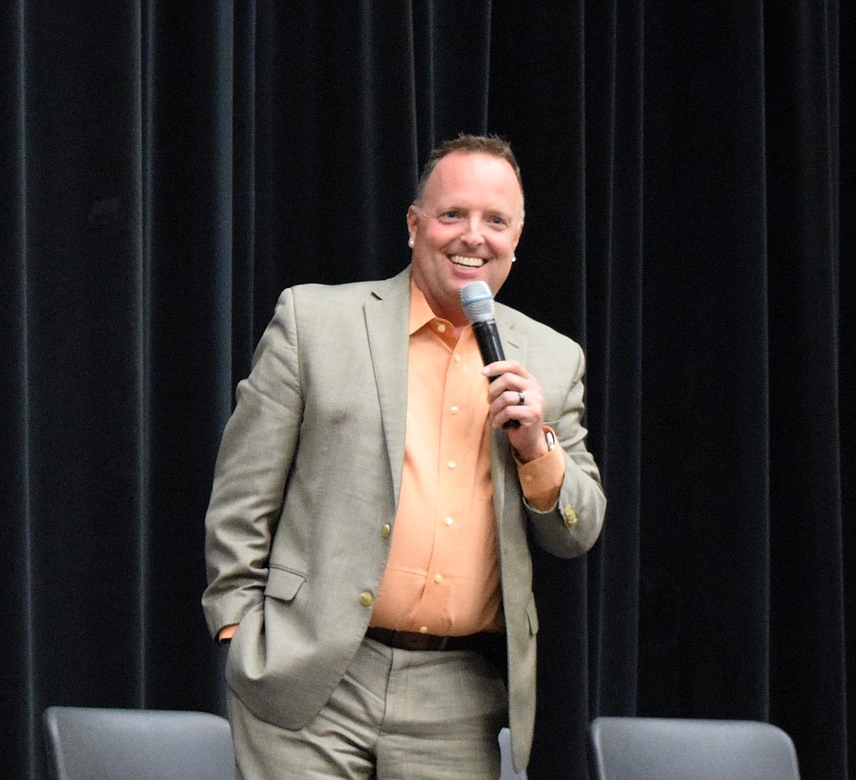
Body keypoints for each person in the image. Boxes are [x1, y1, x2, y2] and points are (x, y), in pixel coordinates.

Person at [202, 133, 606, 779]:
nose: (473, 236)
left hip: (457, 696)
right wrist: (239, 625)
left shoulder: (553, 360)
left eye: (495, 221)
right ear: (415, 226)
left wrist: (539, 446)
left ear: (517, 239)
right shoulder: (315, 321)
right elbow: (241, 494)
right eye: (452, 215)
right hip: (313, 671)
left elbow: (578, 530)